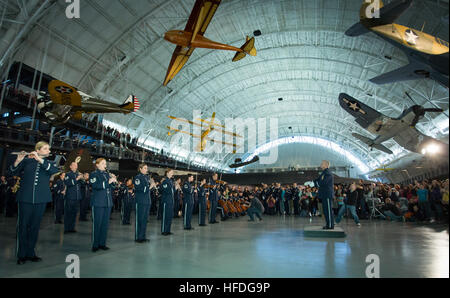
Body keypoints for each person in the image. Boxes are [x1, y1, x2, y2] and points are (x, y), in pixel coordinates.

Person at [8, 142, 60, 265]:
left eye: (49, 149)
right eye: (46, 148)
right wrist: (18, 161)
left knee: (35, 227)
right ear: (38, 149)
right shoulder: (26, 162)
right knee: (23, 226)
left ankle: (31, 253)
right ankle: (21, 255)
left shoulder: (49, 163)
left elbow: (53, 171)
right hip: (25, 198)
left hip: (41, 199)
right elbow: (11, 173)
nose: (48, 150)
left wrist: (39, 159)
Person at [90, 158, 117, 252]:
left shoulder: (107, 174)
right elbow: (95, 185)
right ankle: (95, 244)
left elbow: (112, 187)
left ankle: (102, 243)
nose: (105, 165)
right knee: (97, 224)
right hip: (98, 202)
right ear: (97, 164)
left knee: (105, 224)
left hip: (107, 202)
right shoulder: (93, 174)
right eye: (103, 163)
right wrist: (108, 182)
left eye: (105, 163)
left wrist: (114, 181)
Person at [134, 164, 153, 243]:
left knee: (145, 220)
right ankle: (138, 237)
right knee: (140, 219)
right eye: (145, 168)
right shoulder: (138, 178)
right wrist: (150, 186)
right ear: (140, 169)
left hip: (146, 201)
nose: (146, 170)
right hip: (140, 201)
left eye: (147, 168)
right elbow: (140, 189)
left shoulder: (146, 177)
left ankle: (143, 236)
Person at [314, 160, 335, 229]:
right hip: (324, 194)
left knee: (328, 210)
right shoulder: (324, 173)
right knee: (325, 210)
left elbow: (323, 183)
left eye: (322, 163)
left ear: (326, 165)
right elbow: (318, 180)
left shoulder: (328, 173)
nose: (321, 164)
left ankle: (330, 225)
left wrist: (316, 183)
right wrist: (313, 182)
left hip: (327, 194)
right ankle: (328, 224)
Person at [64, 162, 83, 234]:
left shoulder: (78, 174)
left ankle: (72, 227)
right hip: (70, 197)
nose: (76, 166)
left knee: (74, 213)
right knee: (68, 213)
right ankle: (66, 228)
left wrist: (82, 178)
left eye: (77, 165)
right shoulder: (68, 174)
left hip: (77, 197)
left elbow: (83, 184)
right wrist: (77, 178)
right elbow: (68, 183)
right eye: (74, 165)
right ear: (70, 166)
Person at [160, 169, 175, 236]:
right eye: (171, 172)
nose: (172, 174)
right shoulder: (165, 181)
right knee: (165, 216)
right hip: (166, 201)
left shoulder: (171, 181)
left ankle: (168, 230)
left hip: (170, 201)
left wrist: (175, 188)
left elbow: (172, 192)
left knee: (169, 216)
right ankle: (164, 230)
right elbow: (165, 191)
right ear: (167, 173)